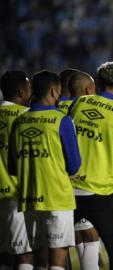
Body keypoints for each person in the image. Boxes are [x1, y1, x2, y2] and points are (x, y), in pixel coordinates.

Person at [69, 62, 113, 270]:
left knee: (58, 248)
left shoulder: (79, 104)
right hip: (100, 193)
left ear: (98, 82)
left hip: (70, 190)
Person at [8, 70, 81, 270]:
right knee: (57, 258)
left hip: (29, 198)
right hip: (57, 197)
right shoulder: (61, 120)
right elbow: (74, 164)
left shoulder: (18, 122)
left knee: (38, 259)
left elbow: (12, 167)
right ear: (53, 91)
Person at [64, 71, 101, 270]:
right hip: (82, 182)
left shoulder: (58, 110)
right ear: (88, 89)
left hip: (60, 185)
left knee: (76, 234)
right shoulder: (86, 110)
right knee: (91, 235)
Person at [0, 71, 33, 270]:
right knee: (25, 254)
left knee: (4, 252)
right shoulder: (26, 117)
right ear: (21, 91)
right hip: (16, 195)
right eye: (29, 88)